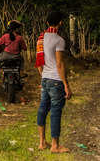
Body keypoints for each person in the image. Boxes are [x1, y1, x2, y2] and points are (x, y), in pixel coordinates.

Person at [35, 11, 71, 153]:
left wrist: (43, 75)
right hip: (56, 81)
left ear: (47, 22)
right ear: (60, 22)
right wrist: (66, 85)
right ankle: (55, 146)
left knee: (43, 109)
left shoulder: (41, 38)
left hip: (45, 79)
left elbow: (38, 62)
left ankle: (42, 142)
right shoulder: (59, 40)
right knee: (56, 111)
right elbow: (59, 64)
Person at [0, 20, 27, 88]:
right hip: (16, 56)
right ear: (16, 29)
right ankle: (21, 72)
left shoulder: (5, 36)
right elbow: (25, 48)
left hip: (6, 55)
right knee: (22, 59)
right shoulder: (20, 38)